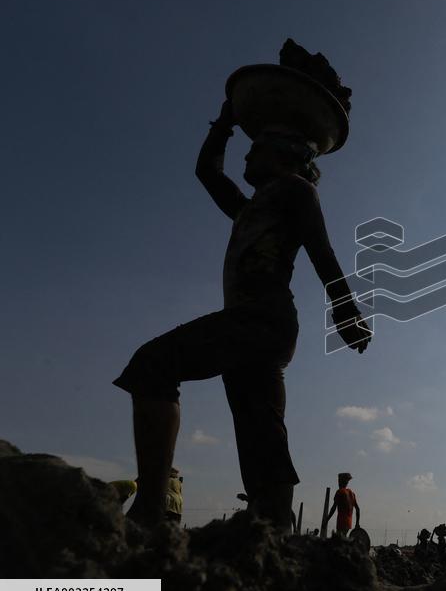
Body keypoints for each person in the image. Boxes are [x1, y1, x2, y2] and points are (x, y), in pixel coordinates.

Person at [113, 96, 371, 530]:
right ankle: (272, 522)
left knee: (152, 364)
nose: (247, 156)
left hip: (262, 319)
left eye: (257, 148)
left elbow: (322, 252)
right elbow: (208, 172)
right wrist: (224, 123)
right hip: (256, 323)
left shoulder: (295, 190)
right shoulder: (249, 206)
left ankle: (151, 509)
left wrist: (346, 314)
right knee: (259, 429)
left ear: (286, 154)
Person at [328, 472, 361, 536]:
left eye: (339, 481)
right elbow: (358, 509)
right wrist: (357, 523)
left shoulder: (339, 492)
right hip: (349, 523)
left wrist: (327, 520)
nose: (338, 483)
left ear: (341, 482)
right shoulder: (352, 494)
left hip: (341, 523)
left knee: (338, 540)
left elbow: (333, 508)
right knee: (343, 538)